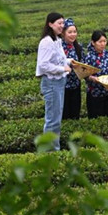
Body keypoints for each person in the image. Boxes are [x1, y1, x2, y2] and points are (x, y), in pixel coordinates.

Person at [36, 12, 72, 151]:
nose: (61, 26)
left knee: (56, 118)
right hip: (51, 83)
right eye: (59, 23)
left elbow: (59, 59)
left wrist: (69, 62)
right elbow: (43, 65)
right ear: (50, 24)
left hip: (59, 82)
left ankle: (53, 149)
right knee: (52, 120)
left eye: (63, 23)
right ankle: (49, 151)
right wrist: (62, 68)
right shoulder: (46, 42)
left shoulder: (57, 39)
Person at [85, 30, 108, 119]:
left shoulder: (107, 54)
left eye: (104, 41)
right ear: (93, 42)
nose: (103, 44)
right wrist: (94, 79)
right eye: (100, 42)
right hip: (95, 93)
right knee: (96, 119)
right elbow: (85, 75)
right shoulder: (89, 57)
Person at [61, 18, 85, 120]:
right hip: (63, 87)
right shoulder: (59, 47)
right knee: (64, 114)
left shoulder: (78, 47)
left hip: (76, 85)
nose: (73, 34)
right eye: (69, 32)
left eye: (74, 32)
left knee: (75, 114)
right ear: (63, 33)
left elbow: (83, 62)